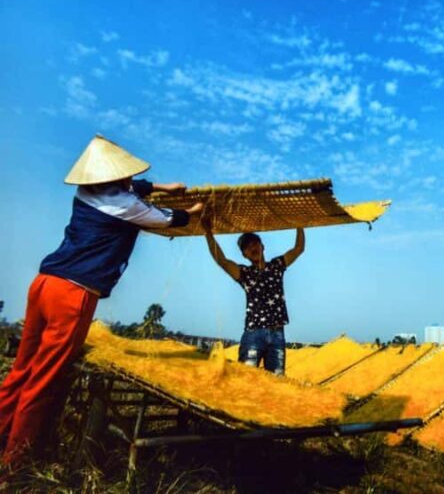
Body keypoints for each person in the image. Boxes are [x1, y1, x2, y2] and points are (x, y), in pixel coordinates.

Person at [0, 134, 203, 466]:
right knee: (43, 380)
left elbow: (133, 188)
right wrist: (192, 210)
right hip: (72, 293)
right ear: (114, 176)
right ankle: (14, 465)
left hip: (43, 283)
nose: (128, 178)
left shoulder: (86, 193)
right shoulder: (127, 206)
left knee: (21, 370)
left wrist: (163, 187)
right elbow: (169, 219)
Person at [201, 217, 304, 375]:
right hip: (254, 334)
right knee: (246, 379)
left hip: (277, 334)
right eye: (247, 247)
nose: (252, 248)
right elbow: (222, 261)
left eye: (255, 243)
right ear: (244, 255)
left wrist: (299, 223)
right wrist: (208, 233)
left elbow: (298, 248)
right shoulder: (244, 273)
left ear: (262, 246)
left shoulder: (277, 265)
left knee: (276, 382)